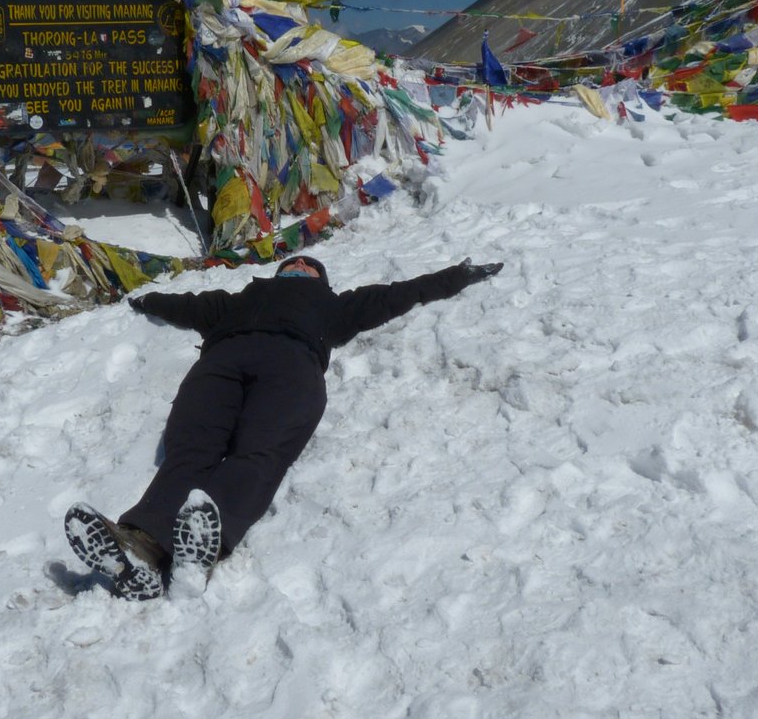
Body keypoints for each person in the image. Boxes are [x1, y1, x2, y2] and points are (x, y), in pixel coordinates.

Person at [64, 254, 503, 599]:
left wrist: (458, 275)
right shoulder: (236, 302)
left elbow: (400, 293)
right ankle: (141, 546)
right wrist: (147, 299)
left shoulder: (336, 305)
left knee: (258, 453)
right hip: (221, 361)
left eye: (310, 266)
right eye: (293, 262)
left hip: (292, 365)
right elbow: (188, 305)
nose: (300, 264)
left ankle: (200, 553)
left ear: (320, 280)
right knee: (189, 452)